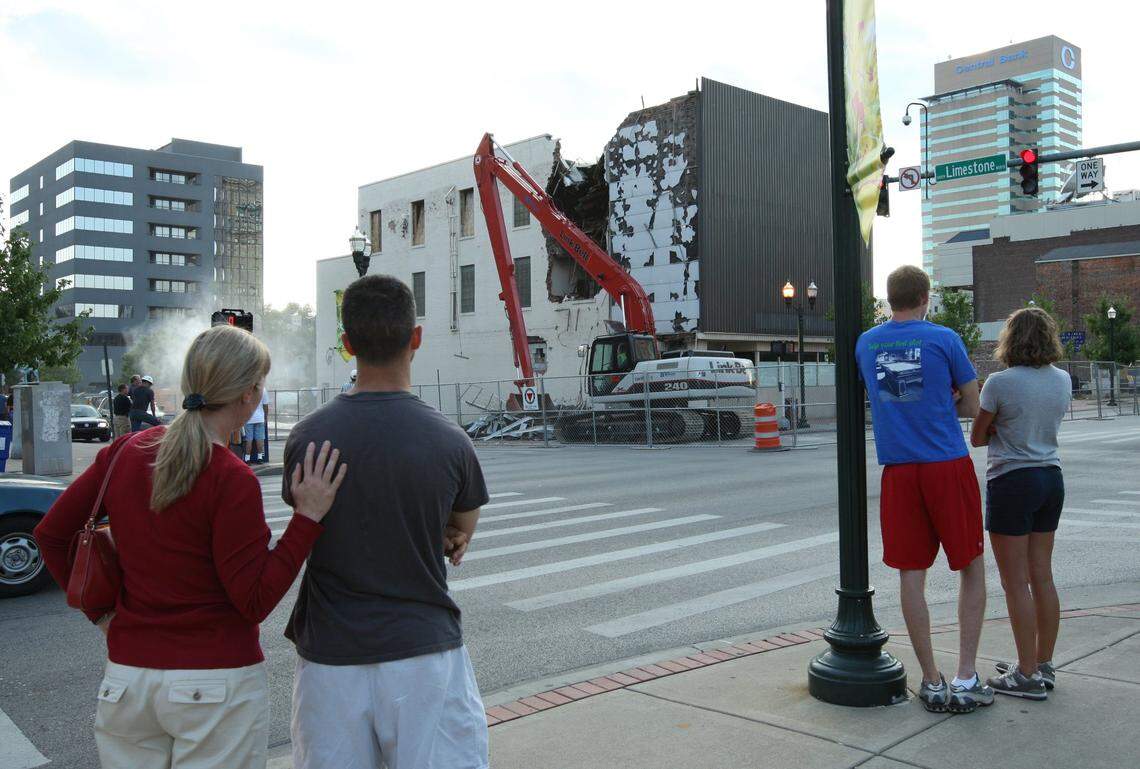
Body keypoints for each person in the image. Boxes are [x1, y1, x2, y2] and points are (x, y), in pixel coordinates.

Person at [33, 325, 347, 769]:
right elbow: (254, 600)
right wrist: (307, 520)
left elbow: (50, 534)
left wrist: (102, 615)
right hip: (215, 686)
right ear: (248, 394)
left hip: (127, 681)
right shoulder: (230, 476)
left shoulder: (126, 451)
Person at [283, 274, 489, 769]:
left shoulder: (306, 438)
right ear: (415, 337)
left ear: (347, 342)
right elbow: (461, 530)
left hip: (331, 662)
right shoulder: (450, 440)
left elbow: (305, 523)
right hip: (424, 658)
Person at [855, 265, 992, 714]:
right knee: (970, 567)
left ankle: (931, 681)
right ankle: (966, 675)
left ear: (890, 299)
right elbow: (974, 407)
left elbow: (897, 390)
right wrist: (953, 396)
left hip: (899, 470)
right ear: (925, 297)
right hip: (945, 465)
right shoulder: (945, 339)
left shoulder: (867, 343)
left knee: (911, 573)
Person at [970, 308, 1071, 700]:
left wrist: (1000, 426)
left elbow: (978, 437)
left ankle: (1025, 674)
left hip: (1012, 480)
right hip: (1051, 478)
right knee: (1042, 575)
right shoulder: (1061, 380)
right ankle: (1042, 663)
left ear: (1010, 340)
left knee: (1015, 582)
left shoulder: (999, 383)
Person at [243, 386, 270, 464]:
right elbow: (265, 405)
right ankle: (260, 458)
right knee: (260, 439)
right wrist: (265, 417)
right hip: (260, 418)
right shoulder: (263, 389)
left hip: (248, 418)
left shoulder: (246, 388)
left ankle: (247, 459)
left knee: (249, 440)